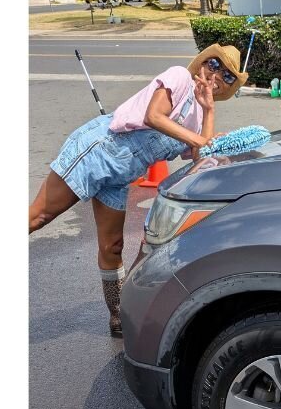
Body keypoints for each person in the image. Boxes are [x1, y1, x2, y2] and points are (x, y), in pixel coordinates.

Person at [29, 45, 241, 336]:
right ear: (203, 63)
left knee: (112, 246)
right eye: (215, 65)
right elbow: (154, 116)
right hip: (99, 150)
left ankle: (118, 317)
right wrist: (200, 139)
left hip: (121, 175)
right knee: (38, 217)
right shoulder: (179, 77)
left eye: (227, 76)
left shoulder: (197, 113)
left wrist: (208, 109)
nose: (217, 75)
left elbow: (199, 152)